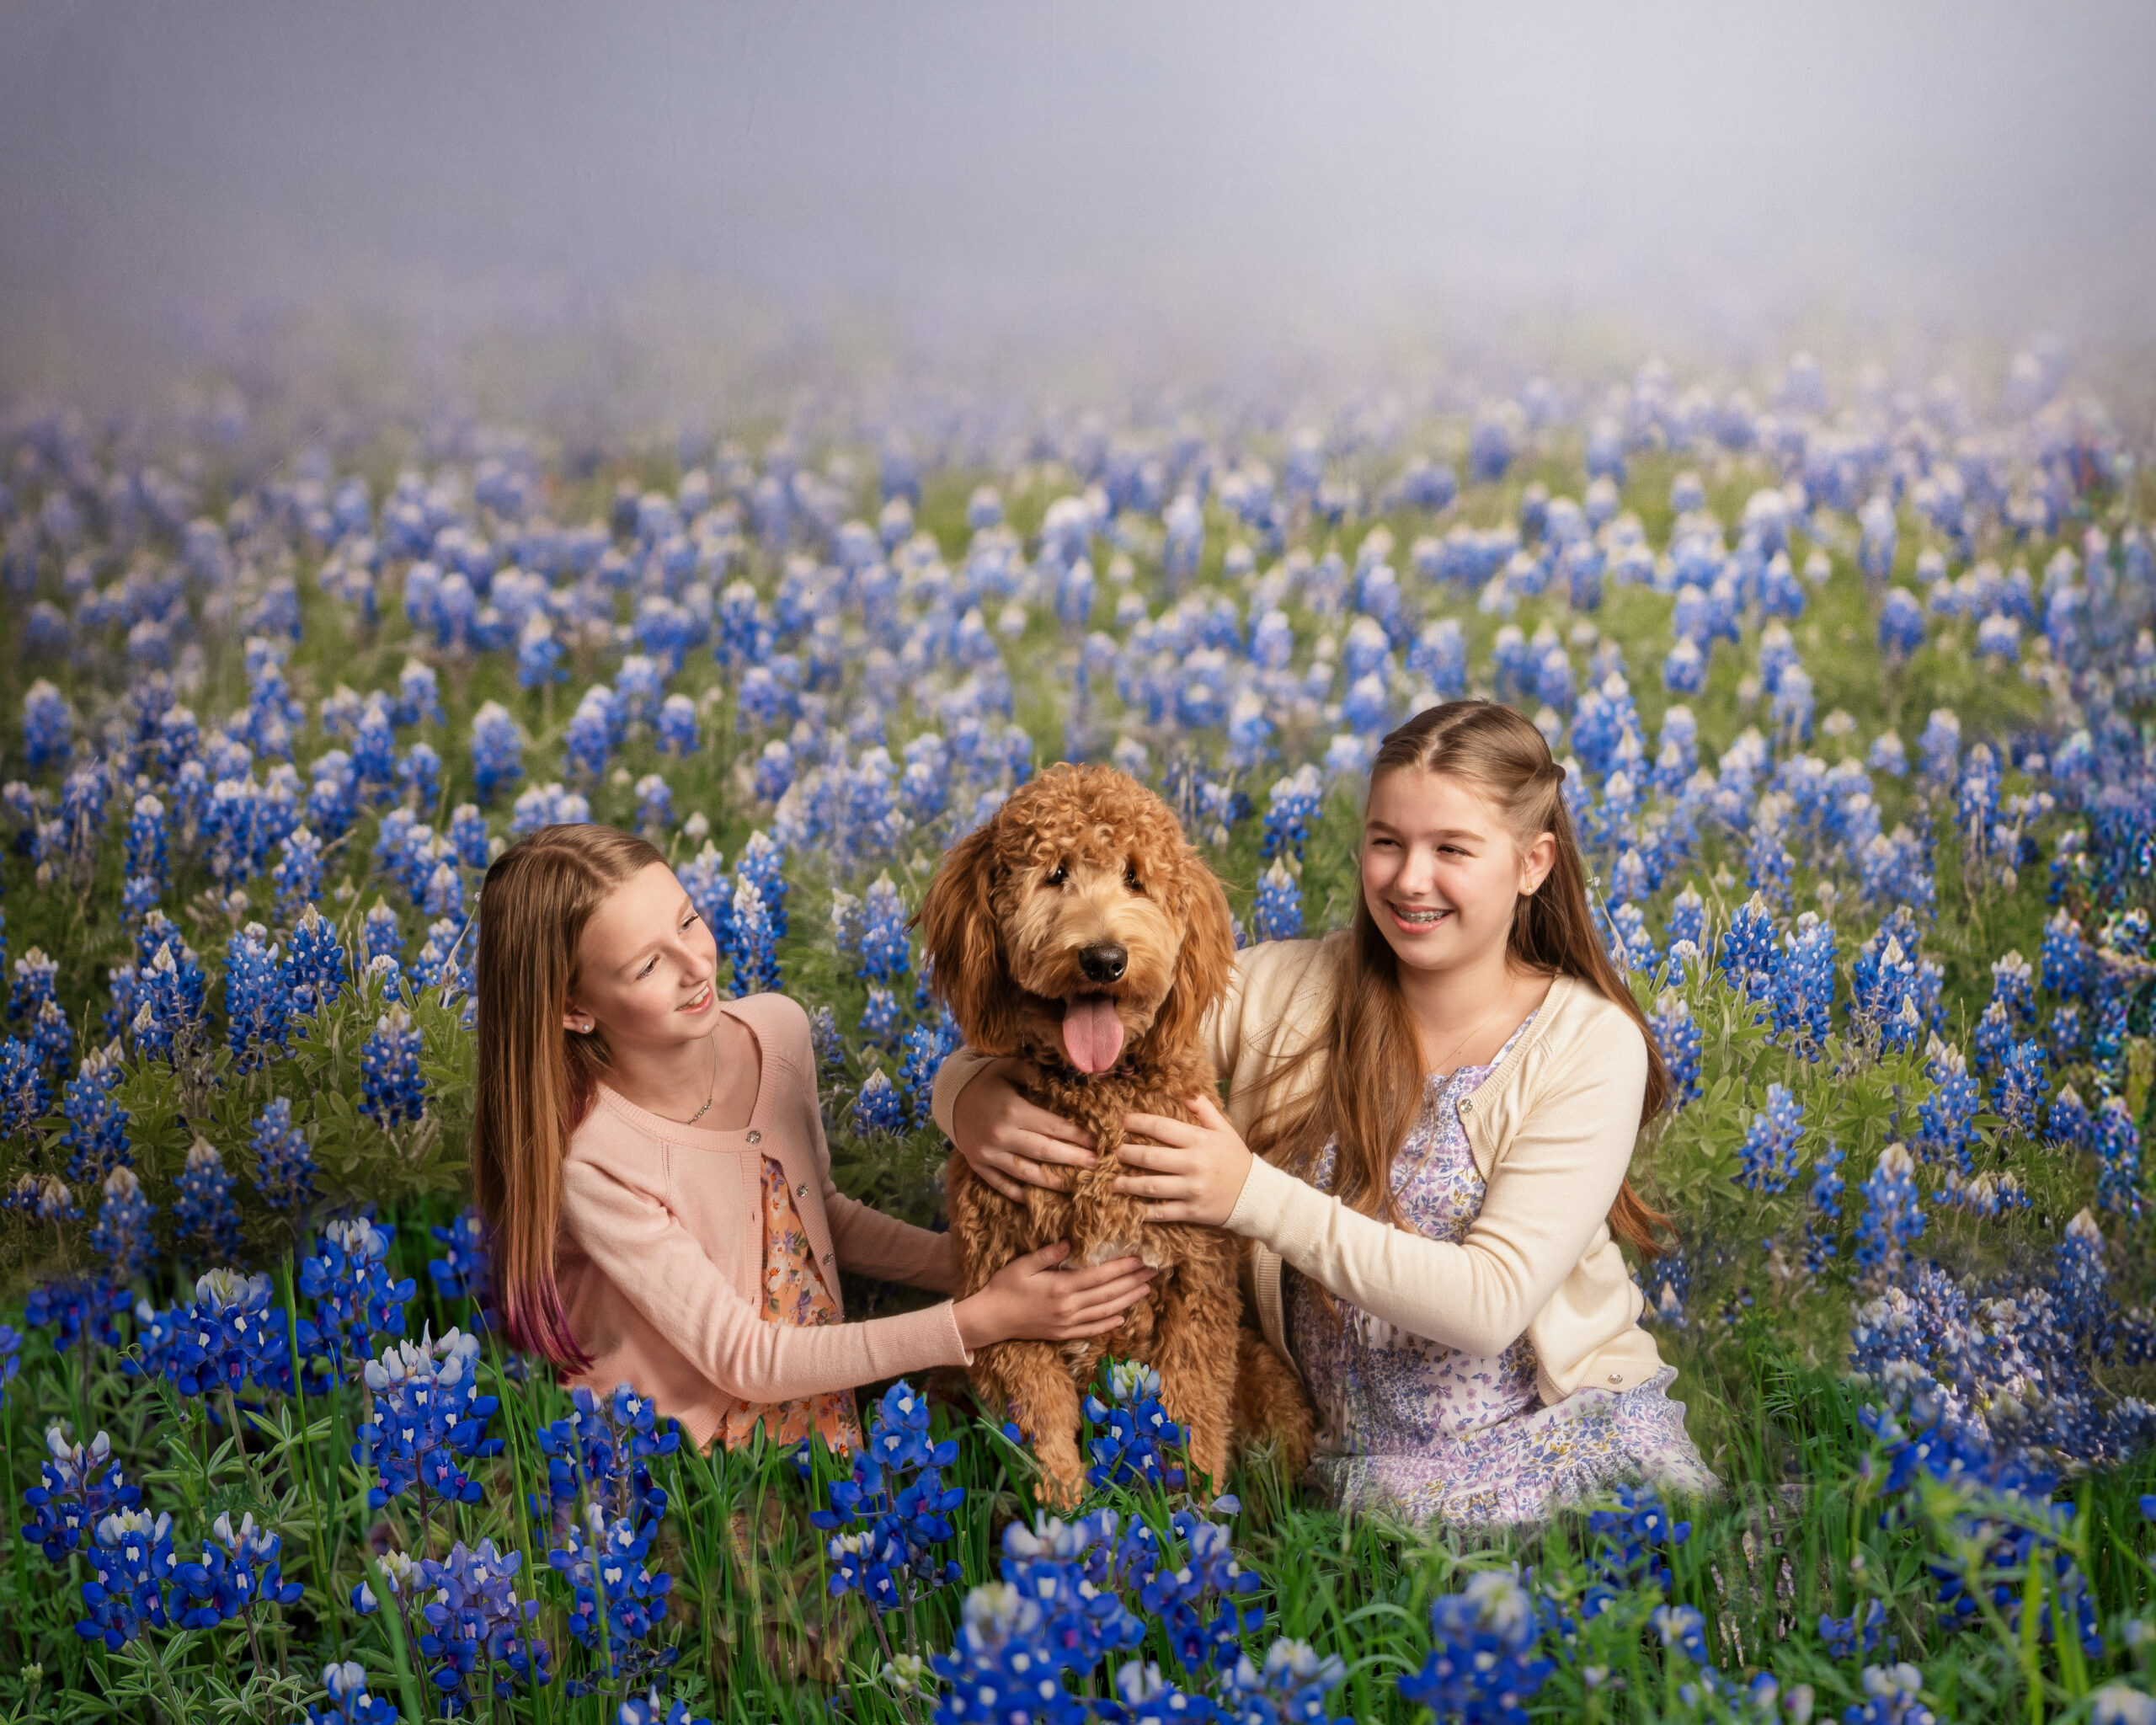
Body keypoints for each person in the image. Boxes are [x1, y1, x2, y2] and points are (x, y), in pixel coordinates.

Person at [932, 700, 1719, 1525]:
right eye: (1387, 841)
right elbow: (1101, 1011)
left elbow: (1490, 1304)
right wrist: (965, 1092)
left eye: (1451, 848)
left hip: (1556, 1438)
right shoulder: (1286, 989)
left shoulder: (1587, 1041)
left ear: (1532, 863)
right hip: (1352, 1470)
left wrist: (1248, 1195)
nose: (1410, 877)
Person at [471, 822, 1157, 1455]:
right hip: (669, 1450)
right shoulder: (593, 1158)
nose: (696, 966)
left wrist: (981, 1270)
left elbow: (816, 1220)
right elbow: (744, 1358)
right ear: (574, 1008)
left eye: (690, 921)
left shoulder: (776, 1032)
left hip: (820, 1392)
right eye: (648, 967)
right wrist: (976, 1317)